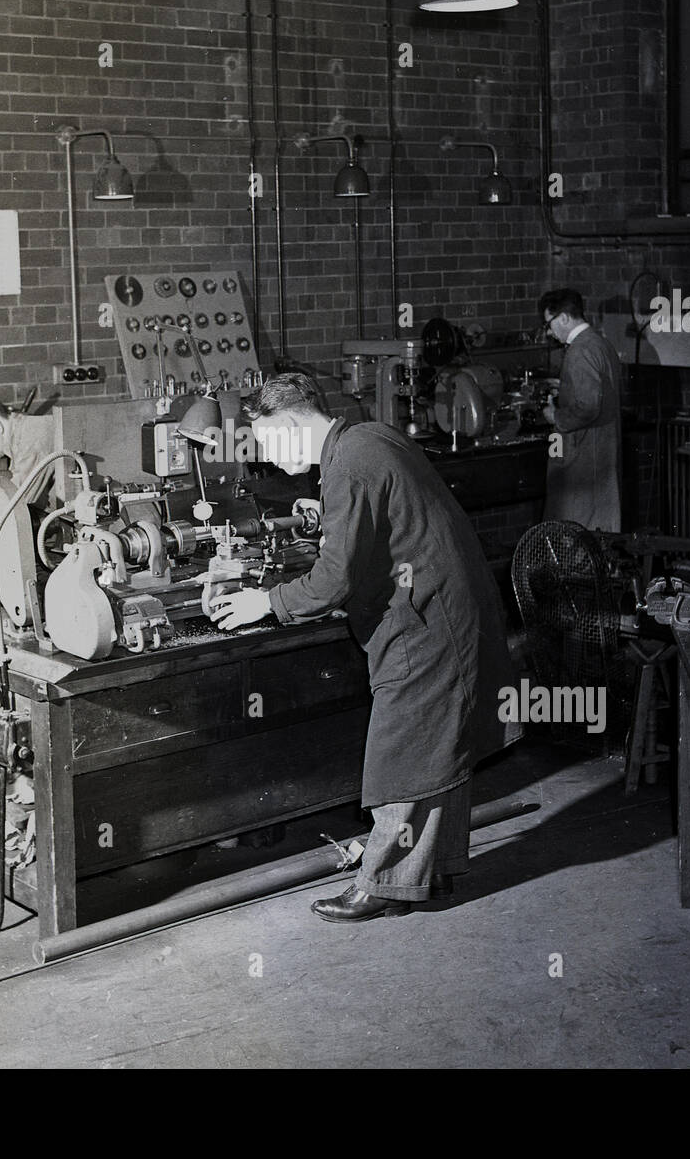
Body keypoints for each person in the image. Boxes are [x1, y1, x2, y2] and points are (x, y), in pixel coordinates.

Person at [211, 373, 514, 923]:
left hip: (425, 620)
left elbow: (334, 580)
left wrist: (267, 602)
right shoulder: (371, 436)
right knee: (438, 745)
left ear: (291, 423)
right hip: (445, 605)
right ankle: (430, 872)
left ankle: (380, 885)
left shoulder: (348, 463)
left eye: (267, 442)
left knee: (403, 751)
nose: (268, 460)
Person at [539, 288, 622, 532]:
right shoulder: (601, 344)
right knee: (598, 533)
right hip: (603, 454)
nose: (549, 332)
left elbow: (587, 407)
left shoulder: (579, 351)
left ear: (564, 318)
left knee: (574, 531)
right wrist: (565, 389)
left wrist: (555, 416)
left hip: (582, 458)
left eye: (549, 323)